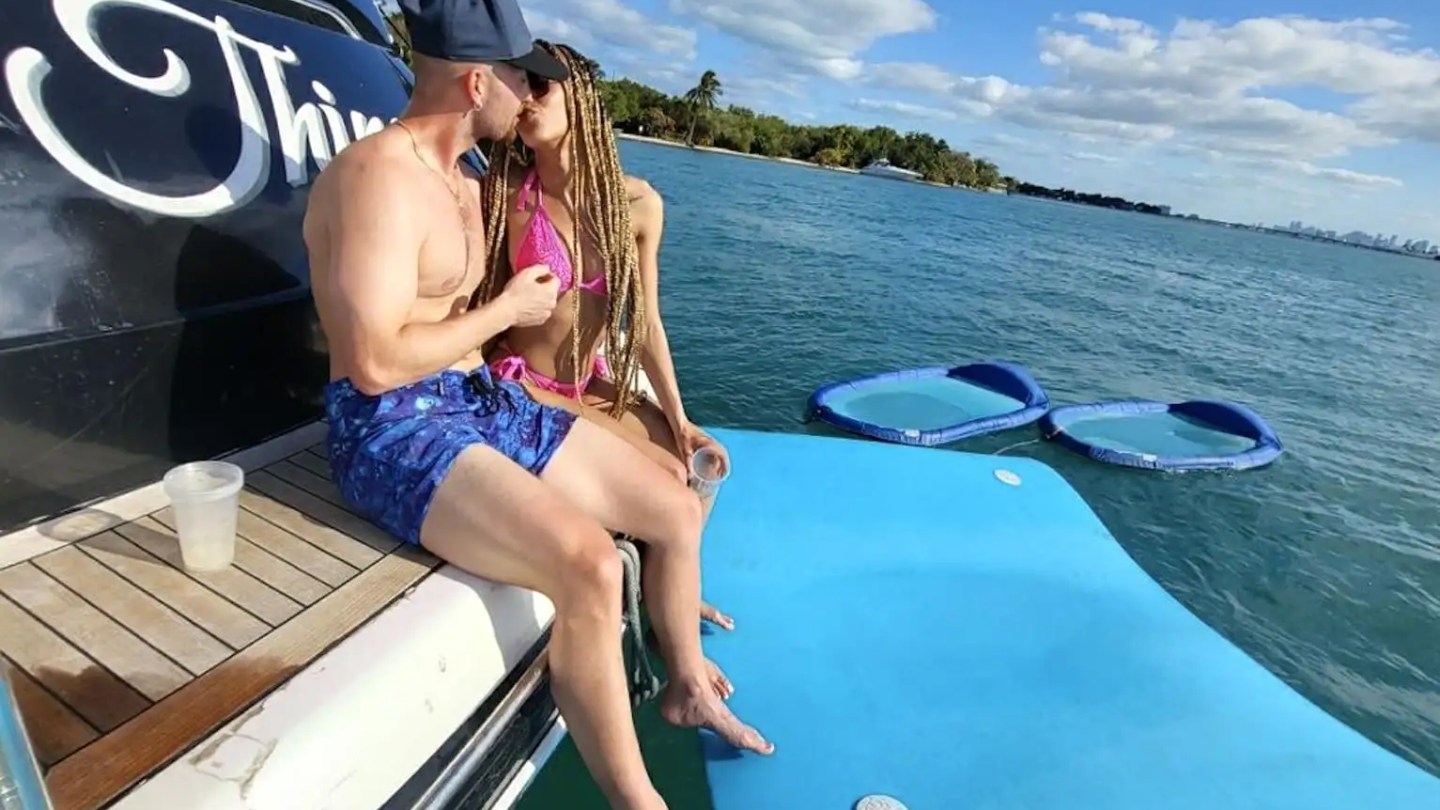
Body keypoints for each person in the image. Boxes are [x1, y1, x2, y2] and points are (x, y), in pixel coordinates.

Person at [301, 1, 772, 808]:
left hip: (473, 396)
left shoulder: (463, 179)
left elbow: (503, 323)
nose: (526, 94)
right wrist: (506, 312)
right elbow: (371, 364)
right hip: (391, 425)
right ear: (479, 79)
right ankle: (638, 800)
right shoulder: (379, 175)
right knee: (588, 563)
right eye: (520, 76)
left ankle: (684, 685)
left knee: (672, 504)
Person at [473, 41, 733, 537]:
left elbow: (647, 323)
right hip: (522, 380)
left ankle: (675, 583)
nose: (527, 98)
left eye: (542, 85)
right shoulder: (508, 194)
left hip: (588, 381)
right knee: (669, 476)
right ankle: (658, 583)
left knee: (700, 461)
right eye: (519, 85)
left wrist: (680, 421)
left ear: (583, 100)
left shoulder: (636, 205)